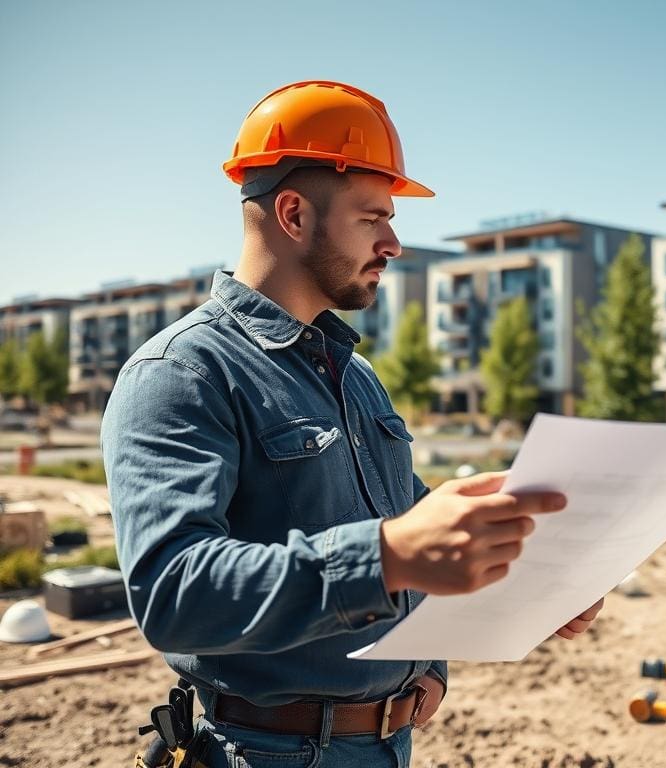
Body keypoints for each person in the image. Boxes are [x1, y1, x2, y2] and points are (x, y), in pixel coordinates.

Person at [102, 80, 604, 768]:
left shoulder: (353, 374)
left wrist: (528, 583)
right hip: (265, 751)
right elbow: (173, 592)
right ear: (293, 214)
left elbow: (411, 524)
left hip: (387, 743)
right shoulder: (182, 372)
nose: (394, 243)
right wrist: (387, 553)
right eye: (373, 217)